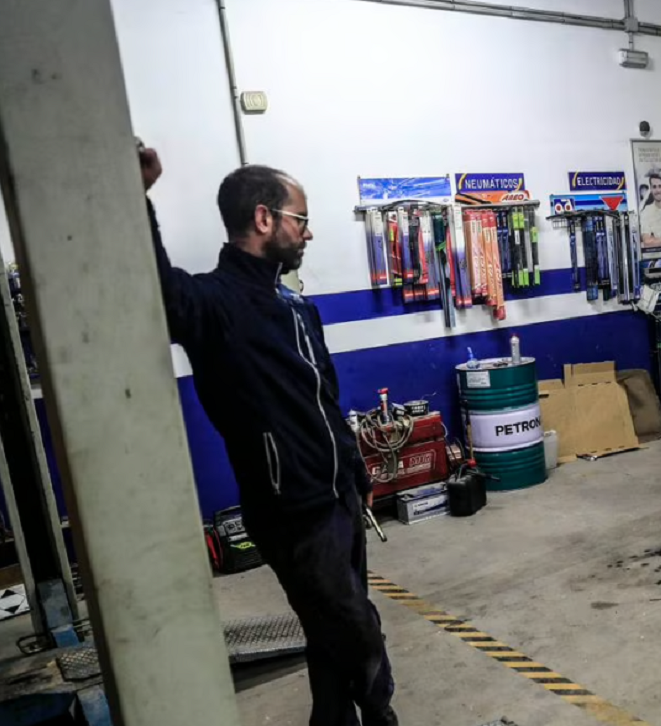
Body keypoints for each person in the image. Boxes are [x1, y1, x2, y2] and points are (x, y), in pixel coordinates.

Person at [138, 148, 396, 726]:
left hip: (339, 500)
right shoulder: (214, 304)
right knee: (357, 629)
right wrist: (139, 198)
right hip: (290, 511)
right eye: (299, 220)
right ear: (264, 219)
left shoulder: (296, 307)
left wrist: (356, 472)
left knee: (328, 631)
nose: (308, 232)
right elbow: (155, 289)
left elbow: (325, 399)